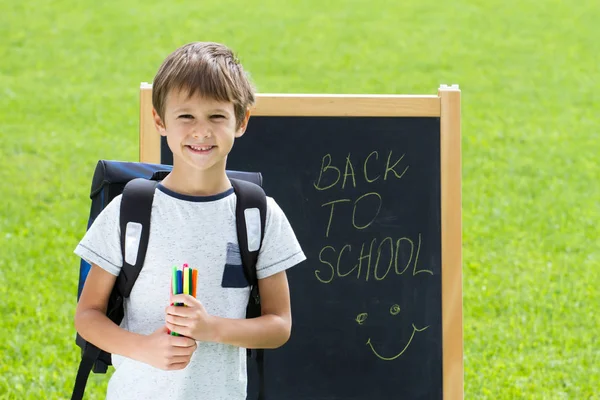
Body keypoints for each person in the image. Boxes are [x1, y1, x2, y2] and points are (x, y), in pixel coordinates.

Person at [74, 41, 306, 400]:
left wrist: (212, 328)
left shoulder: (259, 214)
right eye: (186, 116)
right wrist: (142, 348)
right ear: (159, 120)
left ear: (241, 121)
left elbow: (279, 325)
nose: (201, 131)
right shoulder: (130, 210)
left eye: (217, 116)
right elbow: (87, 316)